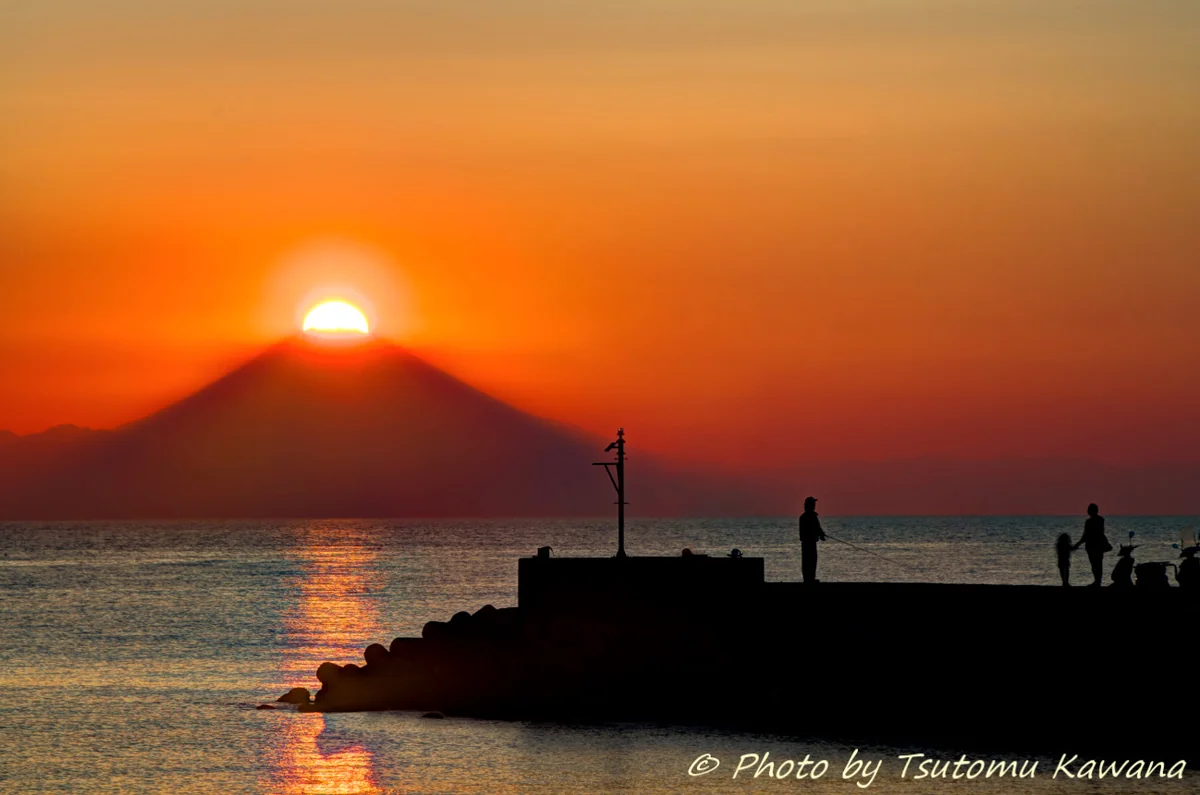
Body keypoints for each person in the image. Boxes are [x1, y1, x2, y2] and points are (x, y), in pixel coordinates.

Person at [1073, 503, 1111, 587]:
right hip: (1098, 545)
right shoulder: (1101, 520)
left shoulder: (1089, 522)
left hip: (1092, 546)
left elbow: (1086, 535)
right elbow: (1101, 533)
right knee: (1098, 564)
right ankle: (1098, 581)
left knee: (1094, 564)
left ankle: (1097, 582)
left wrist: (1078, 544)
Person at [798, 496, 826, 583]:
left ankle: (807, 579)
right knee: (812, 561)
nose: (814, 505)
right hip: (810, 543)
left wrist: (820, 534)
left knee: (806, 562)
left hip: (805, 543)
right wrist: (821, 534)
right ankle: (810, 579)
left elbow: (816, 529)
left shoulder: (803, 517)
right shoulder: (812, 516)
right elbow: (817, 528)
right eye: (813, 503)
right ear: (810, 505)